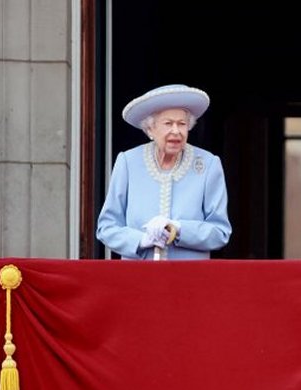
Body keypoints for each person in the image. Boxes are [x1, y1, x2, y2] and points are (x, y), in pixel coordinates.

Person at [96, 84, 232, 259]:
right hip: (137, 277)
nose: (176, 131)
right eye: (168, 123)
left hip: (189, 278)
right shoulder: (128, 162)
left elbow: (220, 232)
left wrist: (178, 228)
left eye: (182, 124)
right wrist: (141, 240)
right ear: (150, 129)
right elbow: (106, 228)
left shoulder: (208, 164)